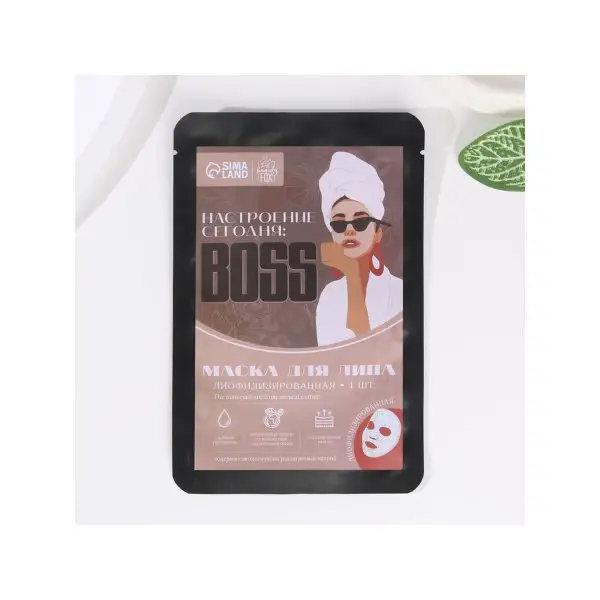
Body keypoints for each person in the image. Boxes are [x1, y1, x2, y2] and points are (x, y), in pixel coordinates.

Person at [315, 152, 403, 346]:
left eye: (360, 222)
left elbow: (373, 352)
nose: (349, 230)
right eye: (339, 224)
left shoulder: (400, 293)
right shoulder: (330, 296)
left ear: (377, 233)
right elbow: (331, 358)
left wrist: (354, 278)